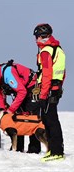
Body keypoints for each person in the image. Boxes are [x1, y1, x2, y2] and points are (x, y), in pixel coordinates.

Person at [0, 60, 41, 153]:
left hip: (32, 88)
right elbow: (0, 95)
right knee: (17, 118)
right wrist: (4, 110)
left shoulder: (8, 74)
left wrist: (11, 109)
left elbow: (22, 91)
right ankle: (18, 147)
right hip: (21, 90)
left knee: (31, 118)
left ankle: (34, 148)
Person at [33, 23, 65, 162]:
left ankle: (56, 152)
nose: (36, 40)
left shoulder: (46, 51)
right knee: (49, 119)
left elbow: (46, 74)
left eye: (37, 37)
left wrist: (43, 94)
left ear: (42, 36)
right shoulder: (58, 49)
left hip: (49, 90)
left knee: (50, 121)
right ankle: (53, 149)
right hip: (55, 88)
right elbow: (62, 73)